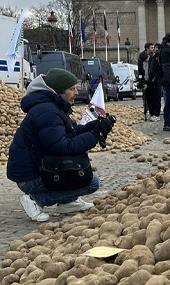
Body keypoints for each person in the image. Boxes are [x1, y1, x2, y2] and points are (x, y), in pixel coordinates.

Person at [7, 69, 111, 222]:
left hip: (41, 166)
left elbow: (72, 132)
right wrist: (95, 135)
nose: (76, 92)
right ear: (58, 92)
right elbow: (63, 147)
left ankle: (67, 202)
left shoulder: (54, 107)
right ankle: (36, 200)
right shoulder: (47, 112)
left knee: (83, 173)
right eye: (71, 89)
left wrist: (95, 126)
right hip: (30, 176)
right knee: (91, 182)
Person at [139, 43, 163, 120]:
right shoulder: (143, 58)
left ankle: (156, 114)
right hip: (147, 81)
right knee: (149, 99)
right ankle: (152, 114)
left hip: (155, 81)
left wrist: (152, 80)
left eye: (153, 47)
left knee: (156, 98)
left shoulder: (155, 58)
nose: (153, 49)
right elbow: (142, 71)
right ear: (147, 48)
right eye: (151, 47)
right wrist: (143, 82)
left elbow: (156, 71)